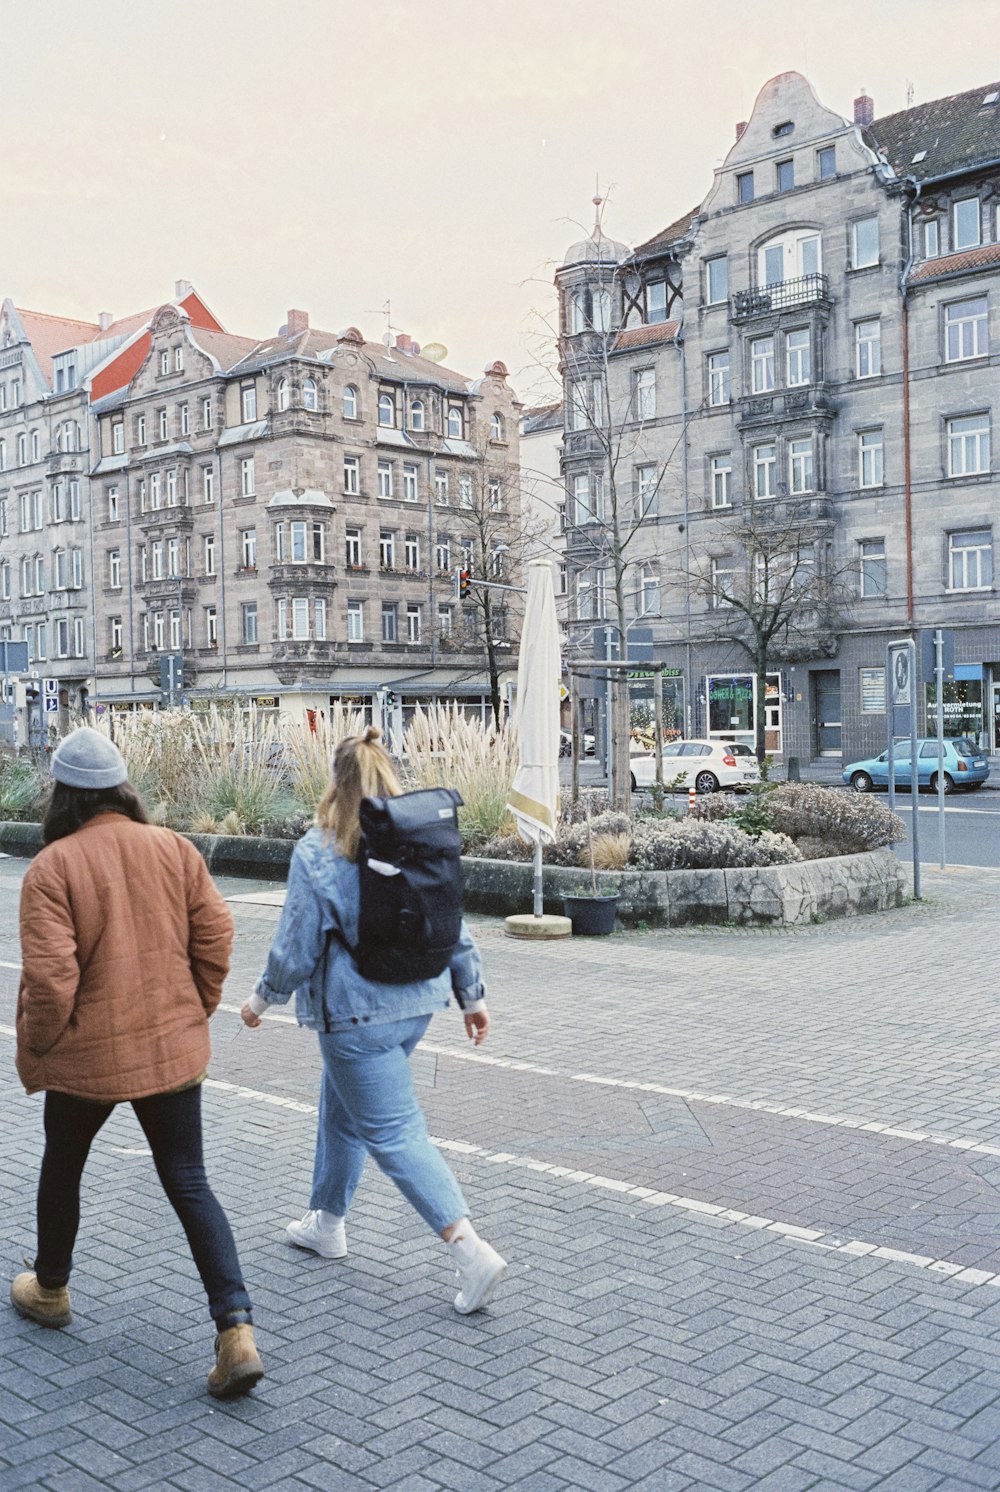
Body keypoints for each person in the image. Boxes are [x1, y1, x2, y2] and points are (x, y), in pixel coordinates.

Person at [11, 727, 264, 1400]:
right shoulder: (174, 849)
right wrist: (197, 1004)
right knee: (188, 1178)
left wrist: (40, 1045)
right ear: (122, 790)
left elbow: (51, 981)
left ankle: (52, 1288)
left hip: (87, 1055)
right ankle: (236, 1329)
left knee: (62, 1167)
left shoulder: (53, 868)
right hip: (171, 1047)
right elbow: (216, 934)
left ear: (63, 796)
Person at [241, 726, 507, 1315]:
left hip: (358, 1017)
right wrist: (472, 995)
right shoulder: (420, 840)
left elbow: (294, 948)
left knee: (394, 1133)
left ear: (336, 782)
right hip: (418, 1004)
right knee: (342, 1108)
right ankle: (327, 1221)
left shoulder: (320, 848)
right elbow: (453, 922)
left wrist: (261, 1000)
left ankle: (470, 1252)